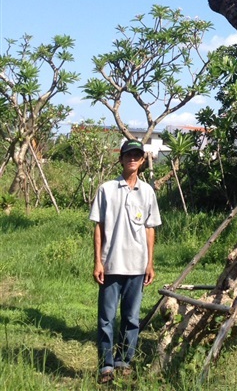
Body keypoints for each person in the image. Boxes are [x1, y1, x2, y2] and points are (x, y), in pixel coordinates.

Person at [90, 139, 161, 384]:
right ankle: (106, 365)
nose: (132, 158)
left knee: (131, 319)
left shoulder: (148, 192)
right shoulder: (106, 189)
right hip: (111, 265)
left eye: (137, 155)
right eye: (127, 154)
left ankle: (124, 361)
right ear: (120, 159)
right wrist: (98, 261)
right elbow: (98, 227)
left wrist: (149, 263)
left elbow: (150, 229)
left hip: (137, 266)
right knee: (106, 318)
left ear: (142, 161)